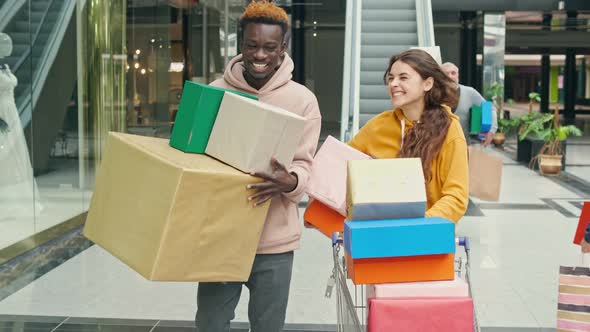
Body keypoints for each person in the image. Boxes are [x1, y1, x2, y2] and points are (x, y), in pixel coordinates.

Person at [195, 1, 322, 332]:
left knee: (268, 326)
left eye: (269, 47)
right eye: (252, 45)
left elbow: (306, 168)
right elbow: (192, 158)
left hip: (274, 241)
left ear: (282, 50)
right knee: (210, 323)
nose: (260, 55)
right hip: (222, 235)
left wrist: (290, 181)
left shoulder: (302, 101)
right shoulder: (215, 92)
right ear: (241, 44)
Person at [348, 49, 468, 222]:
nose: (393, 84)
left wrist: (416, 226)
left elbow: (456, 196)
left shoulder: (449, 129)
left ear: (427, 84)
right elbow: (341, 165)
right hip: (380, 237)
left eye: (403, 78)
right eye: (391, 78)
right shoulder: (378, 126)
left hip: (427, 239)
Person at [441, 62, 498, 147]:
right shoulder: (433, 94)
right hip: (437, 147)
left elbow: (489, 109)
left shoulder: (469, 92)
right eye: (446, 73)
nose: (450, 76)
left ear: (458, 75)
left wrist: (491, 131)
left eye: (453, 73)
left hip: (462, 147)